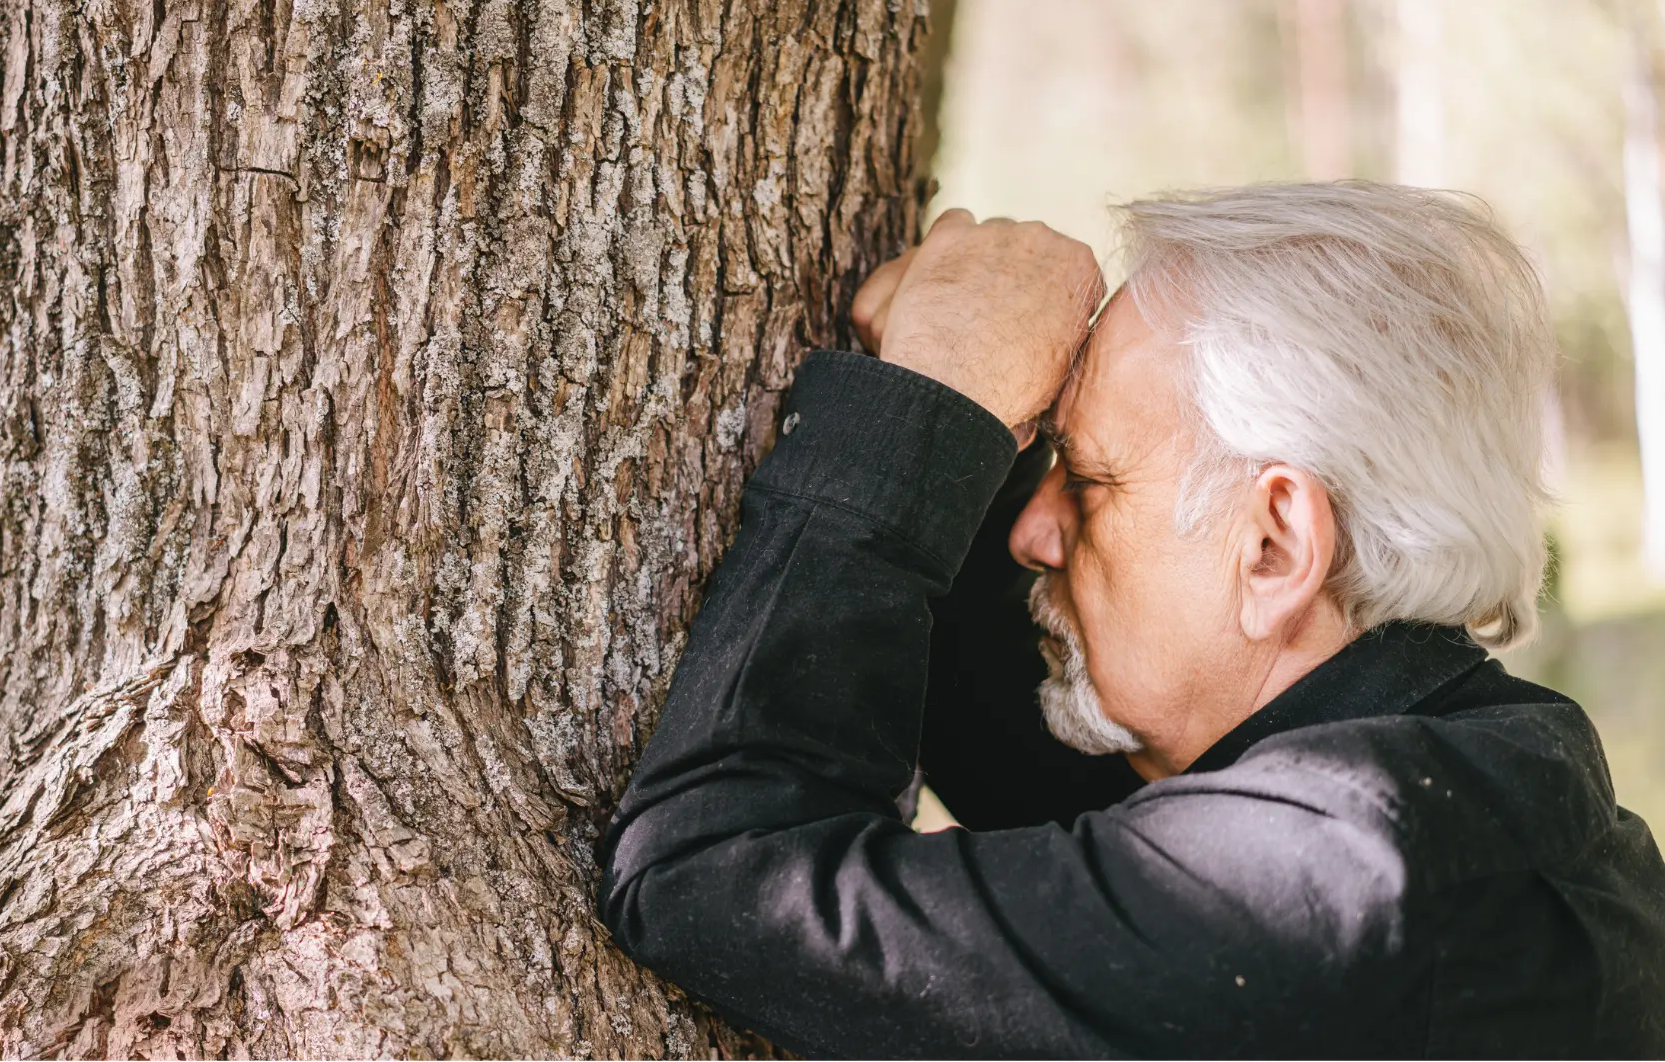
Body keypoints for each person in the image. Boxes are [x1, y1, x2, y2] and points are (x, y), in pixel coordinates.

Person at [595, 182, 1665, 1057]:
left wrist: (916, 414)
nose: (1034, 533)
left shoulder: (1332, 886)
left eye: (1091, 483)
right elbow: (1027, 776)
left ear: (1274, 546)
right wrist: (980, 407)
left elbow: (708, 874)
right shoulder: (1489, 766)